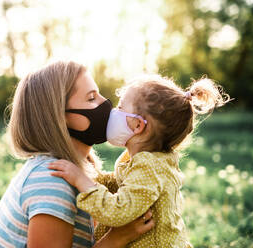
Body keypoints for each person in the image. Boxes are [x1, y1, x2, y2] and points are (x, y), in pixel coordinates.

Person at [0, 61, 155, 248]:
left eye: (99, 93)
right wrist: (118, 238)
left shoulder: (78, 169)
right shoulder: (52, 181)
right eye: (91, 98)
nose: (105, 103)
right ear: (59, 116)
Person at [49, 74, 230, 247]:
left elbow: (118, 211)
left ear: (137, 125)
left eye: (120, 108)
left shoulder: (149, 166)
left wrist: (81, 181)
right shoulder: (150, 161)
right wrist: (90, 178)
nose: (112, 112)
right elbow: (122, 183)